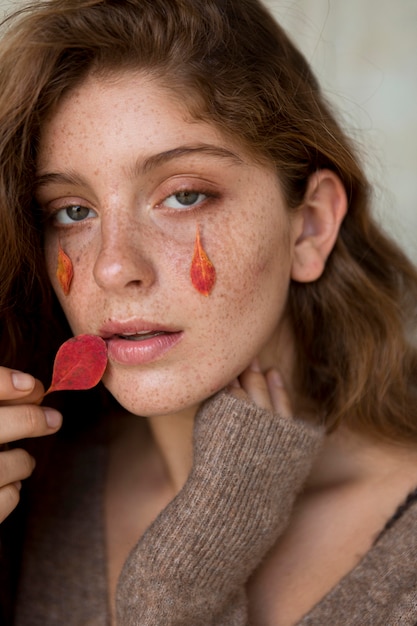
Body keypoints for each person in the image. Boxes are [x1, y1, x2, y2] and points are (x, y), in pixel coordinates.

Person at [0, 0, 416, 624]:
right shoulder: (35, 485)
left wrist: (178, 582)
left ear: (309, 228)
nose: (114, 267)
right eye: (72, 211)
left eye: (184, 195)